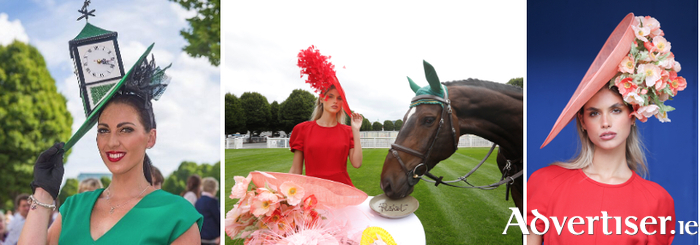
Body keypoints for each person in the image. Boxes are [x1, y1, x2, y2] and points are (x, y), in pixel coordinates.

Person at [18, 48, 202, 244]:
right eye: (104, 130)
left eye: (126, 129)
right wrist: (43, 193)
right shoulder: (74, 207)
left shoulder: (177, 215)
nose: (112, 142)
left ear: (150, 138)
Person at [527, 14, 681, 244]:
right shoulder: (544, 182)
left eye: (616, 110)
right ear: (582, 121)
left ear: (633, 115)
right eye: (594, 113)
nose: (605, 122)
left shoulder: (658, 200)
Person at [195, 177, 219, 245]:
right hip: (212, 238)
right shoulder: (212, 201)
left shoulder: (198, 201)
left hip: (201, 236)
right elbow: (218, 218)